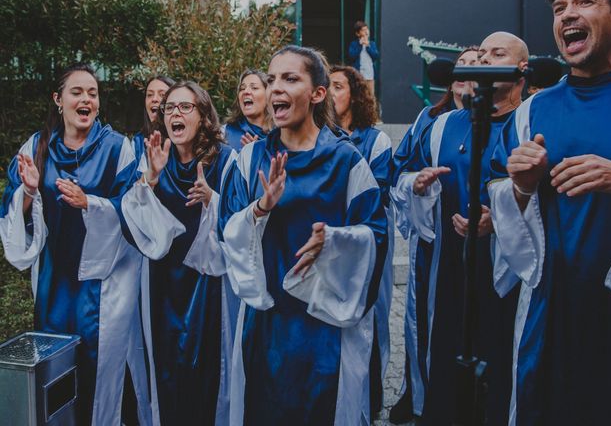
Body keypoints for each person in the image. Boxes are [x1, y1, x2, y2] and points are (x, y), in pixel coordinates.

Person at [488, 0, 611, 425]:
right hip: (552, 312)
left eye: (584, 2)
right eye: (559, 8)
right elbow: (505, 205)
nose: (567, 15)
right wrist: (521, 187)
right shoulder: (533, 111)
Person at [220, 45, 388, 425]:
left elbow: (376, 235)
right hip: (265, 322)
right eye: (272, 79)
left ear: (317, 94)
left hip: (326, 325)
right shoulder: (249, 160)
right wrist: (260, 210)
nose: (276, 87)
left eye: (290, 79)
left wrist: (336, 243)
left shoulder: (347, 162)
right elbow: (224, 232)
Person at [0, 63, 150, 425]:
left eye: (93, 93)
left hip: (105, 286)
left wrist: (91, 204)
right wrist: (30, 192)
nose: (86, 99)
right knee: (55, 371)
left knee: (100, 377)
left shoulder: (119, 148)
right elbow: (11, 210)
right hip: (54, 281)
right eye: (77, 92)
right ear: (58, 100)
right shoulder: (37, 146)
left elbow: (136, 212)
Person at [393, 32, 528, 425]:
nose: (483, 61)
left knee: (502, 366)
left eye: (496, 54)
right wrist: (418, 185)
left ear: (521, 69)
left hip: (508, 279)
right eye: (480, 55)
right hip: (448, 269)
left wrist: (499, 221)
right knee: (448, 361)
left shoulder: (531, 120)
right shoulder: (442, 126)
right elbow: (401, 176)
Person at [121, 80, 236, 425]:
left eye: (185, 107)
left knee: (207, 369)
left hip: (209, 286)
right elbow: (130, 224)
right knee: (166, 368)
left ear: (203, 116)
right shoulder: (152, 158)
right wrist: (150, 180)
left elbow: (243, 223)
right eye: (170, 107)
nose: (175, 113)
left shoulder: (226, 161)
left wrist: (213, 200)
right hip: (162, 285)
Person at [388, 46, 478, 423]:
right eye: (461, 66)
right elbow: (400, 170)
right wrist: (417, 184)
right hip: (434, 243)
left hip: (479, 246)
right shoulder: (430, 118)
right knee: (425, 323)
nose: (466, 72)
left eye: (478, 65)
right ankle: (420, 392)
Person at [329, 64, 393, 420]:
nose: (332, 92)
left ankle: (369, 398)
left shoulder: (375, 140)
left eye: (338, 86)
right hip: (330, 247)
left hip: (364, 242)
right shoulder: (320, 136)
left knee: (370, 319)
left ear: (353, 94)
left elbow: (376, 193)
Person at [224, 69, 272, 151]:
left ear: (268, 95)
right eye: (242, 88)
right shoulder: (224, 133)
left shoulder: (283, 135)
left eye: (254, 88)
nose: (246, 91)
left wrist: (258, 155)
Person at [131, 75, 175, 163]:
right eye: (149, 95)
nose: (154, 99)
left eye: (162, 95)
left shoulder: (183, 139)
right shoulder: (138, 142)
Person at [348, 21, 379, 97]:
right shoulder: (354, 44)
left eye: (366, 29)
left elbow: (376, 56)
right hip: (359, 74)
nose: (366, 32)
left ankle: (371, 109)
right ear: (358, 34)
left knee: (370, 96)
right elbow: (352, 56)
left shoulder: (372, 43)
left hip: (370, 74)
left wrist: (368, 46)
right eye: (363, 30)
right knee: (359, 95)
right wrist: (360, 45)